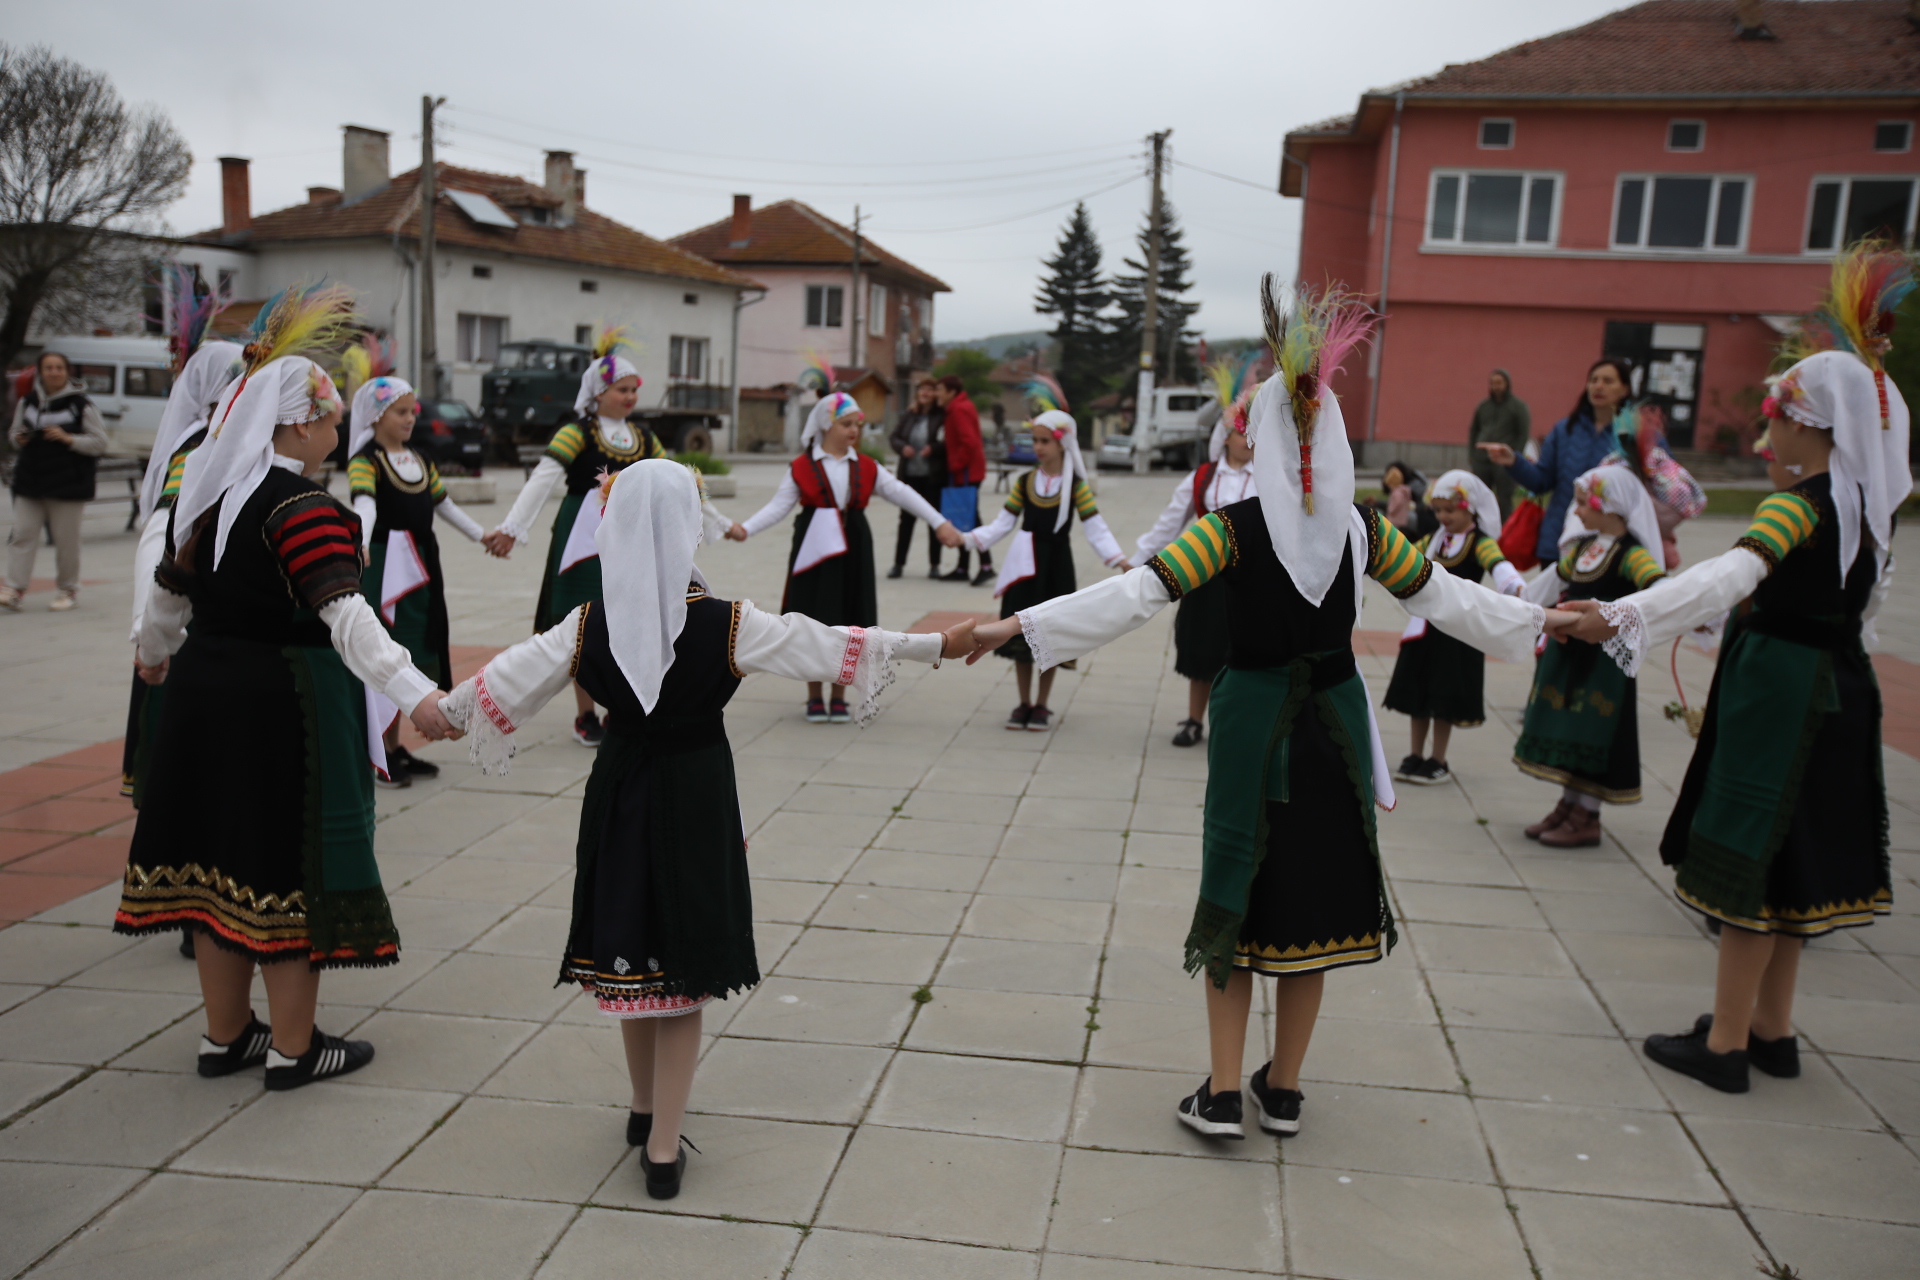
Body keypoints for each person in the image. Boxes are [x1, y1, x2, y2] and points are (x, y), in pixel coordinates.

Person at [965, 278, 1566, 1140]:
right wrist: (1547, 622)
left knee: (1237, 891)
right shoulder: (1364, 530)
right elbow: (1447, 597)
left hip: (1251, 724)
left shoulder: (1232, 529)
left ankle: (1219, 1095)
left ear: (1268, 438)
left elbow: (1137, 594)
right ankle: (1282, 1090)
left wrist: (1011, 628)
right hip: (1332, 729)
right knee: (1311, 898)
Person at [440, 460, 977, 1198]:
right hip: (694, 796)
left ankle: (641, 1109)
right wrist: (936, 645)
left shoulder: (583, 625)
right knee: (684, 972)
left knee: (629, 952)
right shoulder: (728, 623)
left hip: (621, 794)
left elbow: (495, 686)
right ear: (689, 524)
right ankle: (661, 1148)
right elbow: (827, 643)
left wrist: (427, 705)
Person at [1553, 278, 1909, 1092]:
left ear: (1805, 423)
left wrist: (1614, 616)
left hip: (1782, 698)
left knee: (1752, 856)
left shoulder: (1802, 507)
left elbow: (1724, 577)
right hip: (1837, 689)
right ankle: (1771, 1031)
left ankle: (1724, 1047)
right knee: (1793, 862)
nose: (1765, 428)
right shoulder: (1864, 510)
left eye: (1776, 414)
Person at [118, 285, 459, 1091]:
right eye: (332, 419)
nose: (339, 433)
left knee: (217, 866)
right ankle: (295, 1048)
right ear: (299, 424)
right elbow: (347, 615)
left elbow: (164, 600)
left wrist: (157, 654)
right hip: (284, 704)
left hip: (205, 695)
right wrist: (416, 695)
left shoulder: (208, 500)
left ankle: (224, 1036)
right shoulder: (299, 506)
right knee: (286, 868)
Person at [482, 330, 672, 747]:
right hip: (581, 538)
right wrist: (514, 527)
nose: (630, 397)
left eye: (634, 389)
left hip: (630, 536)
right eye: (622, 389)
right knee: (584, 620)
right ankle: (585, 714)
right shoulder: (576, 431)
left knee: (628, 620)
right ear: (598, 391)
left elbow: (671, 479)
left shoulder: (644, 437)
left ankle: (619, 708)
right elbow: (544, 478)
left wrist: (711, 521)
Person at [728, 391, 961, 722]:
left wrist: (939, 522)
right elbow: (779, 506)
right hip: (813, 551)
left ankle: (839, 693)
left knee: (850, 617)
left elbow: (903, 493)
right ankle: (813, 695)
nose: (854, 430)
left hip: (853, 548)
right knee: (811, 618)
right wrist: (746, 528)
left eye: (857, 424)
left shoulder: (866, 467)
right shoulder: (802, 466)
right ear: (826, 424)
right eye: (845, 423)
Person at [343, 343, 490, 788]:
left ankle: (394, 745)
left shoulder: (421, 460)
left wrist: (484, 535)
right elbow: (363, 503)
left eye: (412, 411)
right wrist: (361, 541)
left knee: (416, 646)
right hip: (387, 563)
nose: (409, 419)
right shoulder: (366, 461)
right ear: (374, 416)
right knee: (388, 646)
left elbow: (444, 506)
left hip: (422, 563)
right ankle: (381, 750)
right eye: (400, 412)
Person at [123, 314, 244, 805]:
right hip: (183, 619)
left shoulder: (231, 440)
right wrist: (146, 627)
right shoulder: (198, 446)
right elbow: (161, 533)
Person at [1512, 463, 1667, 847]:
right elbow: (1553, 581)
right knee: (1571, 726)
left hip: (1605, 665)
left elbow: (1659, 590)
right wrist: (1516, 605)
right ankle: (1568, 802)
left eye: (1583, 504)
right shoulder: (1584, 548)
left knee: (1596, 729)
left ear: (1610, 506)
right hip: (1570, 658)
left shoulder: (1631, 554)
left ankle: (1588, 814)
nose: (1576, 511)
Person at [965, 383, 1129, 731]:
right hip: (1025, 569)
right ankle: (1023, 702)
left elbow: (1095, 526)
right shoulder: (1024, 483)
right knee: (1020, 636)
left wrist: (1119, 559)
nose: (1037, 447)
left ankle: (1042, 705)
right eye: (1035, 441)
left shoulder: (1075, 487)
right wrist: (969, 540)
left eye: (1044, 441)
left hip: (1055, 566)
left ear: (1062, 443)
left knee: (1050, 635)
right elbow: (1003, 523)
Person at [1135, 359, 1257, 747]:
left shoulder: (1270, 479)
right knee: (1203, 650)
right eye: (1240, 432)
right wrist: (1137, 559)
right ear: (1224, 435)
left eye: (1253, 433)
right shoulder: (1202, 476)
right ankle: (1193, 719)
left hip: (1253, 580)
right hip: (1206, 577)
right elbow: (1170, 523)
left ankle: (1236, 722)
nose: (1247, 440)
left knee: (1247, 653)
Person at [1382, 470, 1525, 784]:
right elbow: (1402, 552)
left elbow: (1498, 563)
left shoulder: (1478, 542)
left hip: (1458, 631)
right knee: (1419, 691)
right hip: (1425, 628)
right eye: (1438, 511)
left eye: (1450, 510)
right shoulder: (1436, 541)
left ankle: (1438, 759)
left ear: (1469, 508)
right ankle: (1415, 754)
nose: (1443, 517)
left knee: (1444, 696)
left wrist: (1514, 586)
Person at [1478, 357, 1634, 567]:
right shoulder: (1565, 430)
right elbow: (1541, 480)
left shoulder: (1636, 435)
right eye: (1594, 380)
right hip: (1557, 541)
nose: (1598, 386)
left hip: (1611, 544)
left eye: (1608, 381)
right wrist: (1514, 461)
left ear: (1624, 389)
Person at [5, 351, 109, 612]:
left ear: (67, 372)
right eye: (48, 368)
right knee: (21, 535)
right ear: (40, 371)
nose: (54, 372)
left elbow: (99, 443)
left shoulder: (81, 405)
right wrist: (19, 438)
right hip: (30, 481)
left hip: (68, 484)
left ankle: (67, 589)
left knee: (66, 541)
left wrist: (67, 438)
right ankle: (15, 589)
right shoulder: (28, 402)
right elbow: (13, 434)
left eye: (59, 368)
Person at [933, 374, 993, 585]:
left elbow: (969, 442)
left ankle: (986, 565)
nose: (936, 394)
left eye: (940, 389)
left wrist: (955, 465)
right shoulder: (956, 408)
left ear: (951, 392)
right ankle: (963, 566)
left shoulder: (959, 409)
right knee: (964, 520)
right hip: (966, 472)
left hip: (966, 473)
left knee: (971, 520)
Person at [887, 379, 946, 579]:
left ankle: (935, 565)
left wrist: (935, 448)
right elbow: (894, 437)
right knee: (906, 521)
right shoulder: (909, 415)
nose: (925, 393)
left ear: (935, 394)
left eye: (930, 390)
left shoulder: (941, 416)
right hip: (910, 476)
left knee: (933, 521)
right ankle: (898, 564)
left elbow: (946, 442)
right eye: (922, 390)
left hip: (932, 477)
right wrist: (902, 447)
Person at [1467, 369, 1529, 521]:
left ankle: (1505, 531)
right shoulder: (1483, 406)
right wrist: (1472, 455)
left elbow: (1523, 433)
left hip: (1503, 462)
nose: (1496, 386)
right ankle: (1480, 528)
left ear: (1507, 384)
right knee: (1480, 498)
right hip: (1482, 459)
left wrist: (1515, 456)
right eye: (1493, 383)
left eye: (1499, 383)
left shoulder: (1518, 407)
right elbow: (1474, 429)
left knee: (1504, 499)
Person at [1377, 460, 1436, 541]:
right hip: (1405, 519)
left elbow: (1395, 505)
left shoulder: (1405, 490)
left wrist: (1389, 509)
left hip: (1413, 520)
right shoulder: (1406, 489)